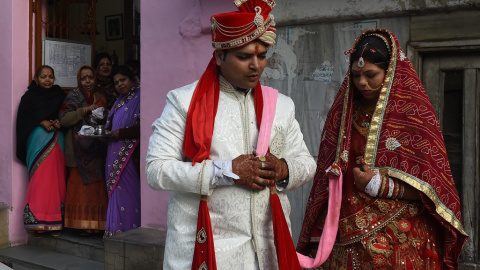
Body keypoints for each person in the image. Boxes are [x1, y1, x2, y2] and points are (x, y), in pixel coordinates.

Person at [145, 0, 316, 269]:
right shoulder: (183, 102)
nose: (256, 66)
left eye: (261, 56)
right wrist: (226, 171)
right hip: (209, 249)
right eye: (244, 56)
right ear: (218, 57)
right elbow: (156, 170)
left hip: (269, 248)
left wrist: (282, 169)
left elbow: (307, 163)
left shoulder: (281, 105)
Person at [296, 28, 468, 269]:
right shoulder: (344, 114)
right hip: (345, 233)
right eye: (356, 75)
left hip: (401, 238)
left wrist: (380, 185)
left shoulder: (415, 116)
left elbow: (434, 190)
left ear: (390, 73)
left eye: (371, 74)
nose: (362, 83)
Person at [16, 65, 66, 237]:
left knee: (57, 178)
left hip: (57, 139)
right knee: (41, 179)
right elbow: (24, 119)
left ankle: (54, 221)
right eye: (43, 76)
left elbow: (64, 113)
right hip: (38, 141)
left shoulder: (59, 95)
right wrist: (40, 121)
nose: (47, 80)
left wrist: (59, 122)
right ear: (36, 79)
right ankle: (37, 222)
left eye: (50, 76)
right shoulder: (30, 97)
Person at [59, 65, 109, 236]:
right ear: (79, 80)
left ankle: (96, 225)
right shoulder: (73, 96)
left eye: (91, 77)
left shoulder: (101, 96)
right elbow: (64, 119)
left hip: (96, 149)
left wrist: (103, 114)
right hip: (77, 151)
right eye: (83, 78)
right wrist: (86, 110)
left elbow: (108, 117)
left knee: (97, 189)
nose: (87, 81)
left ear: (95, 79)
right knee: (79, 187)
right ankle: (79, 225)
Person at [104, 65, 141, 238]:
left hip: (131, 154)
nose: (120, 84)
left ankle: (130, 232)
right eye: (116, 82)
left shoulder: (141, 96)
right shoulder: (119, 101)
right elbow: (111, 125)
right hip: (114, 150)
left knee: (130, 191)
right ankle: (115, 233)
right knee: (116, 191)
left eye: (122, 80)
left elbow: (145, 126)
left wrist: (122, 133)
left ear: (131, 79)